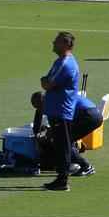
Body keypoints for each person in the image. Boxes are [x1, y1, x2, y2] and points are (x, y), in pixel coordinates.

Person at [40, 31, 80, 191]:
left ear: (65, 44)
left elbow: (47, 84)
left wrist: (44, 81)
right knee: (60, 145)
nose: (53, 43)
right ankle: (61, 178)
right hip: (59, 110)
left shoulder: (65, 63)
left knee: (62, 146)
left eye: (56, 41)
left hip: (61, 110)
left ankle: (63, 181)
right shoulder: (61, 61)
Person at [31, 91, 100, 177]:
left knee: (64, 142)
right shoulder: (50, 99)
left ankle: (86, 167)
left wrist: (48, 134)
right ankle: (72, 162)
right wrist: (37, 133)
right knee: (66, 140)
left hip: (88, 116)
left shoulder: (55, 105)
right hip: (92, 113)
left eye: (40, 107)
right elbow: (39, 116)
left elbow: (58, 126)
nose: (40, 110)